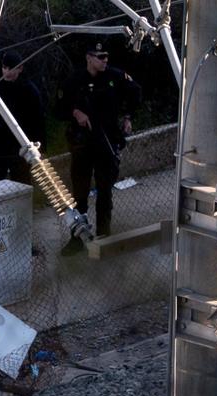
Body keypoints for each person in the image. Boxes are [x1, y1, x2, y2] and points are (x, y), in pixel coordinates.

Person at [61, 41, 143, 255]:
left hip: (106, 141)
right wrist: (75, 113)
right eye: (100, 57)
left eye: (106, 56)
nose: (105, 60)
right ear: (89, 57)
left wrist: (127, 116)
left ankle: (104, 237)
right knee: (79, 194)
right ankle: (77, 237)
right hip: (82, 145)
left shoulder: (115, 77)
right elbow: (58, 108)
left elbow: (136, 93)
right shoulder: (75, 80)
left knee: (105, 193)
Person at [0, 49, 45, 186]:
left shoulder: (29, 91)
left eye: (11, 68)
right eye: (5, 68)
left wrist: (40, 149)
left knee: (22, 187)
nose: (7, 72)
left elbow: (38, 122)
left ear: (20, 68)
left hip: (21, 149)